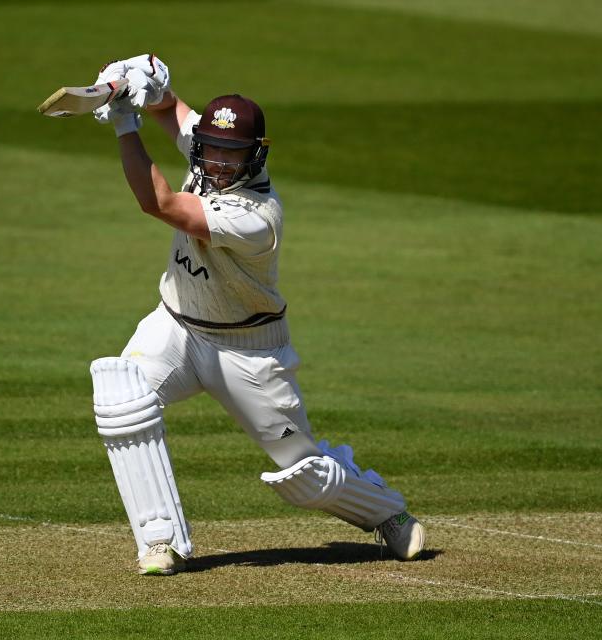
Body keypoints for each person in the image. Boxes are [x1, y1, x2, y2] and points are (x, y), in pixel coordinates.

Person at [87, 54, 424, 575]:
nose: (218, 163)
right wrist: (144, 85)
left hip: (247, 351)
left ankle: (385, 511)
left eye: (232, 153)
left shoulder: (256, 217)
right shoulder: (207, 150)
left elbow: (160, 204)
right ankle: (161, 541)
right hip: (176, 326)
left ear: (255, 156)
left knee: (305, 477)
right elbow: (173, 110)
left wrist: (124, 126)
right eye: (212, 149)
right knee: (121, 397)